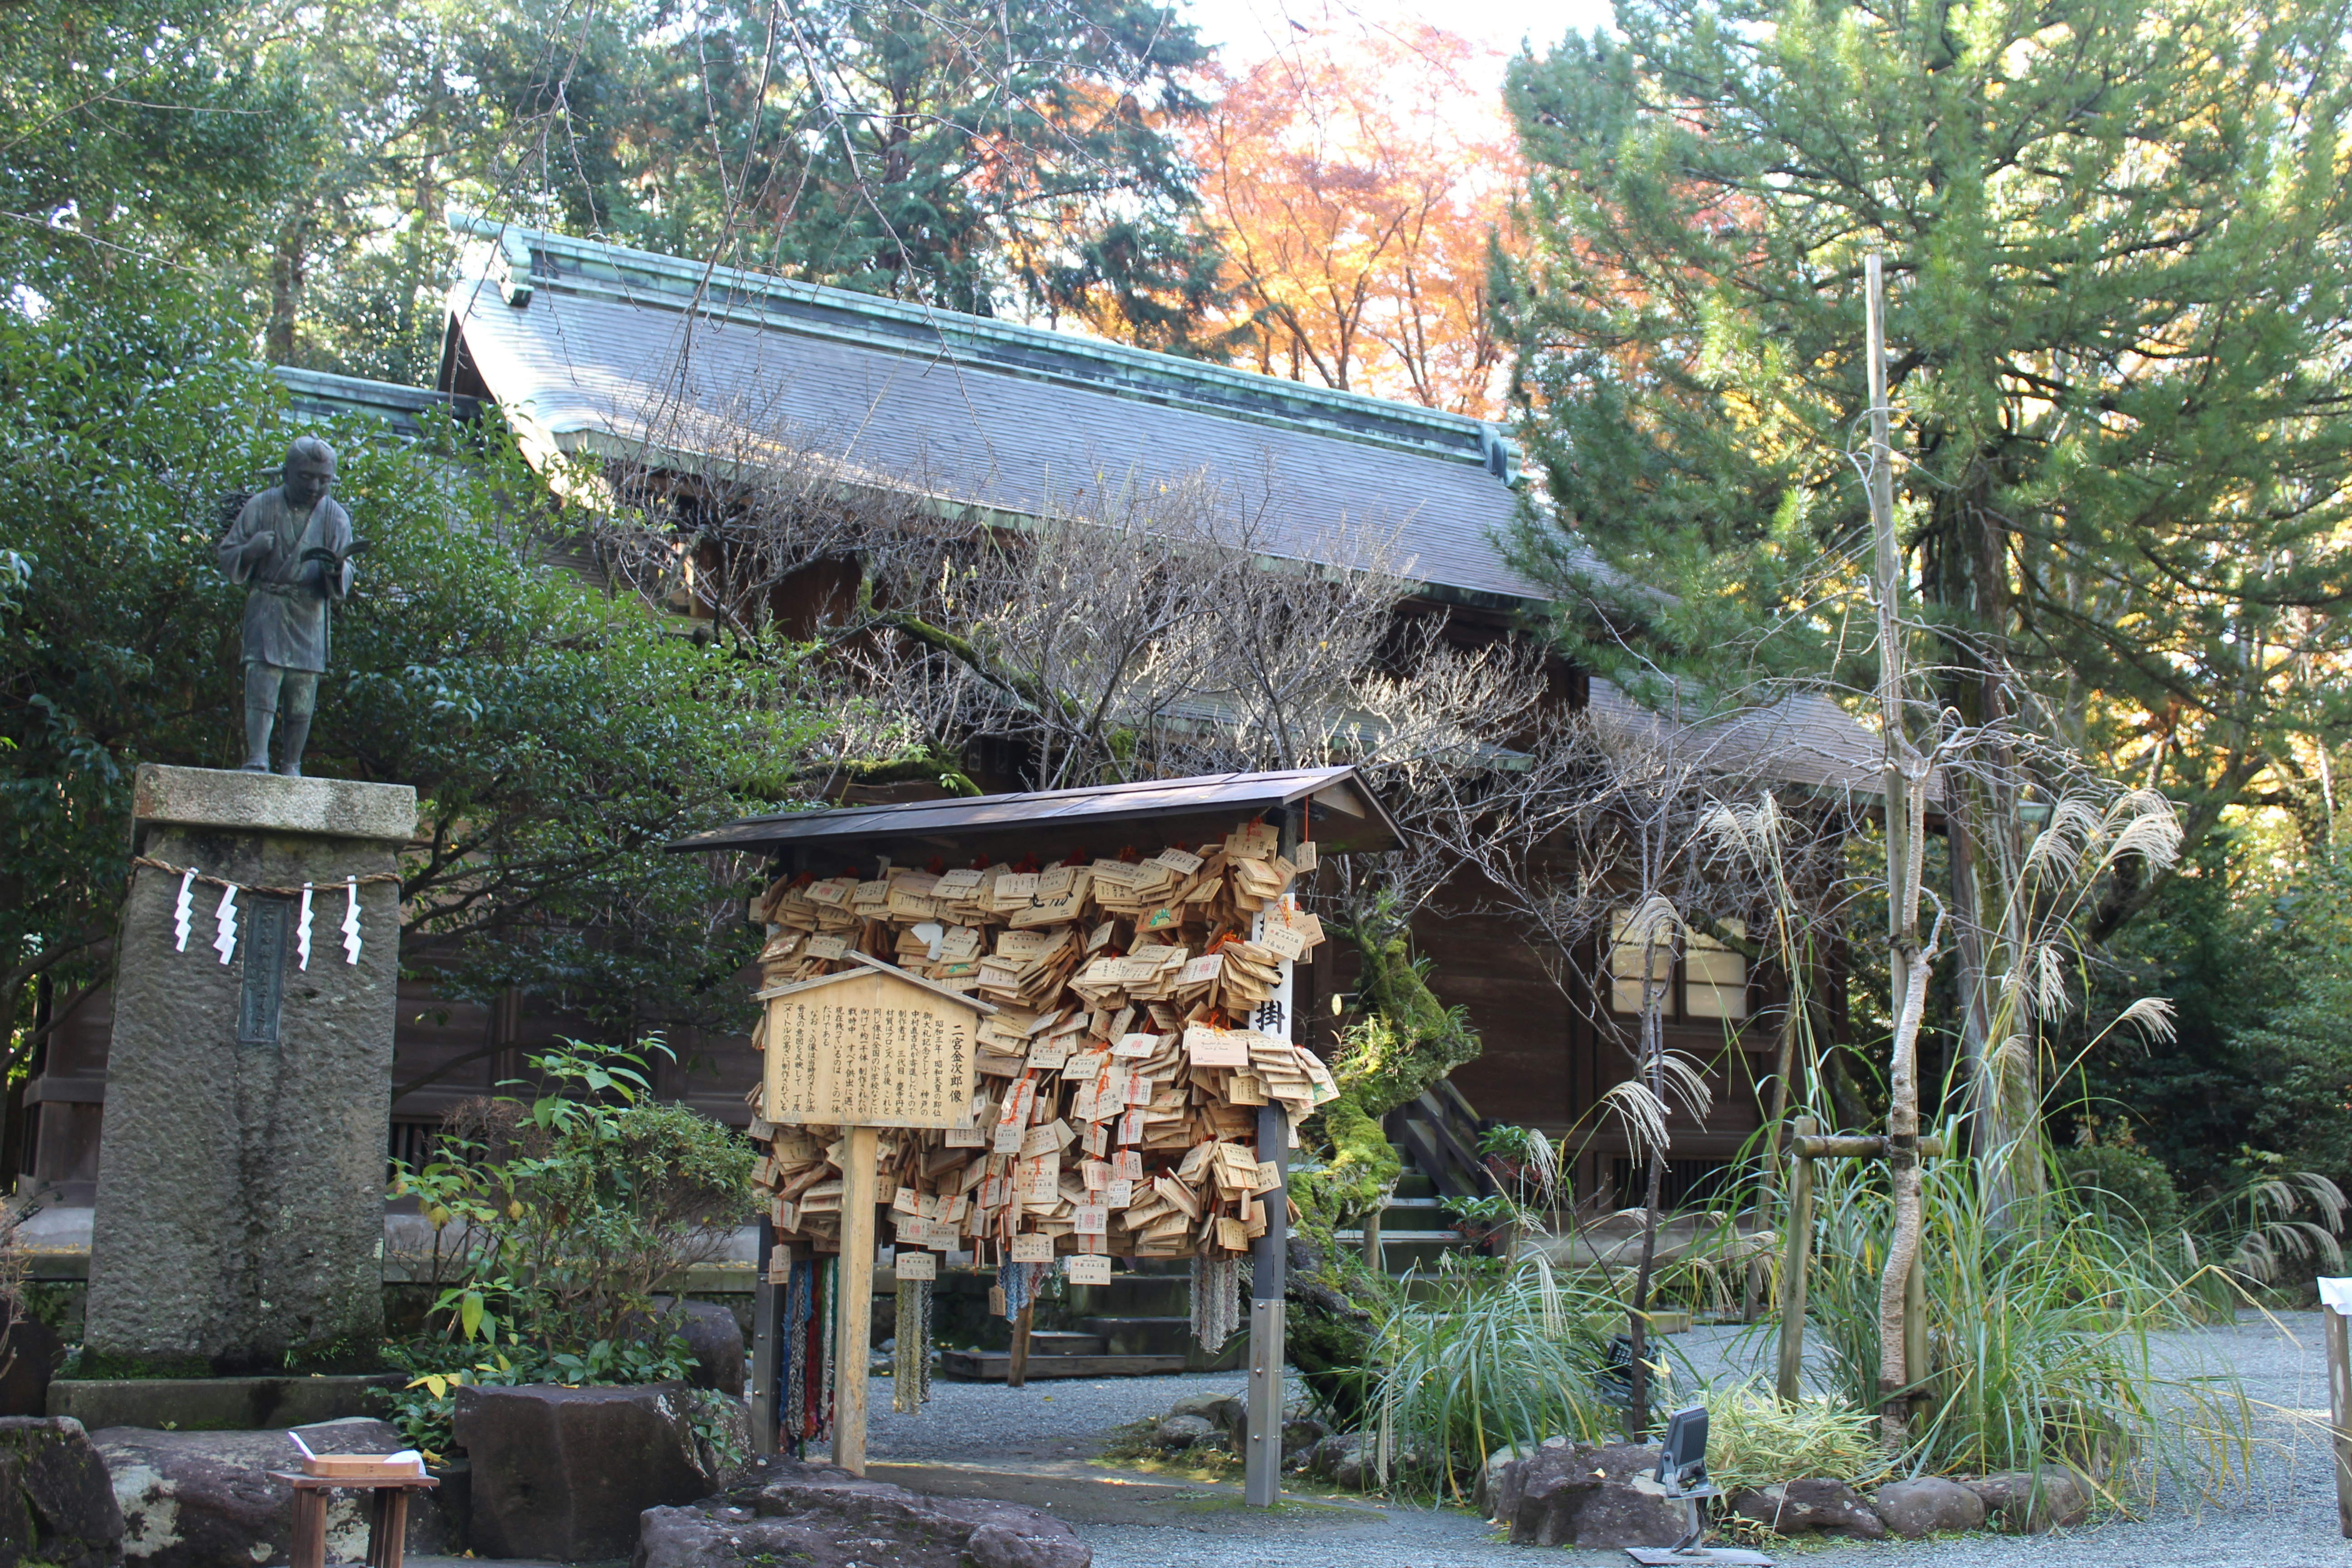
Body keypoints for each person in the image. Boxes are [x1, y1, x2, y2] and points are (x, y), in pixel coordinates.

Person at [214, 436, 356, 776]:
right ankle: (257, 757)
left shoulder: (335, 517)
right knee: (263, 681)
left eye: (324, 480)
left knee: (302, 692)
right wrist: (250, 551)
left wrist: (338, 570)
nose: (315, 486)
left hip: (309, 612)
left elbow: (348, 569)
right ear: (287, 472)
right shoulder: (262, 506)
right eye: (306, 477)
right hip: (269, 604)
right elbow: (227, 552)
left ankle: (292, 762)